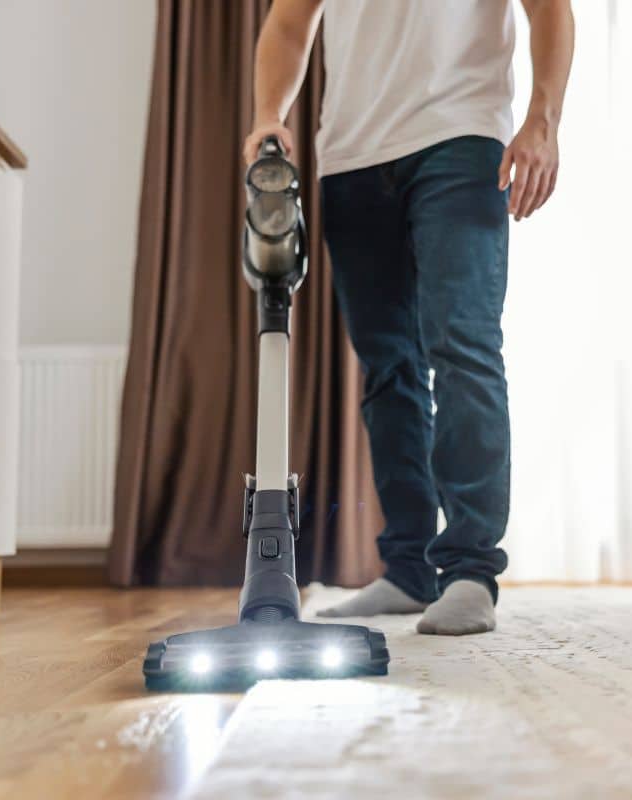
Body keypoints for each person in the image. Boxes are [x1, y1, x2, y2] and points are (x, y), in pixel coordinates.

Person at [244, 0, 574, 635]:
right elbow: (288, 24)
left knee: (463, 344)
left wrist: (543, 119)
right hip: (351, 157)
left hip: (461, 137)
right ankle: (409, 570)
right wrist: (267, 115)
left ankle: (471, 569)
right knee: (388, 370)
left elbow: (551, 10)